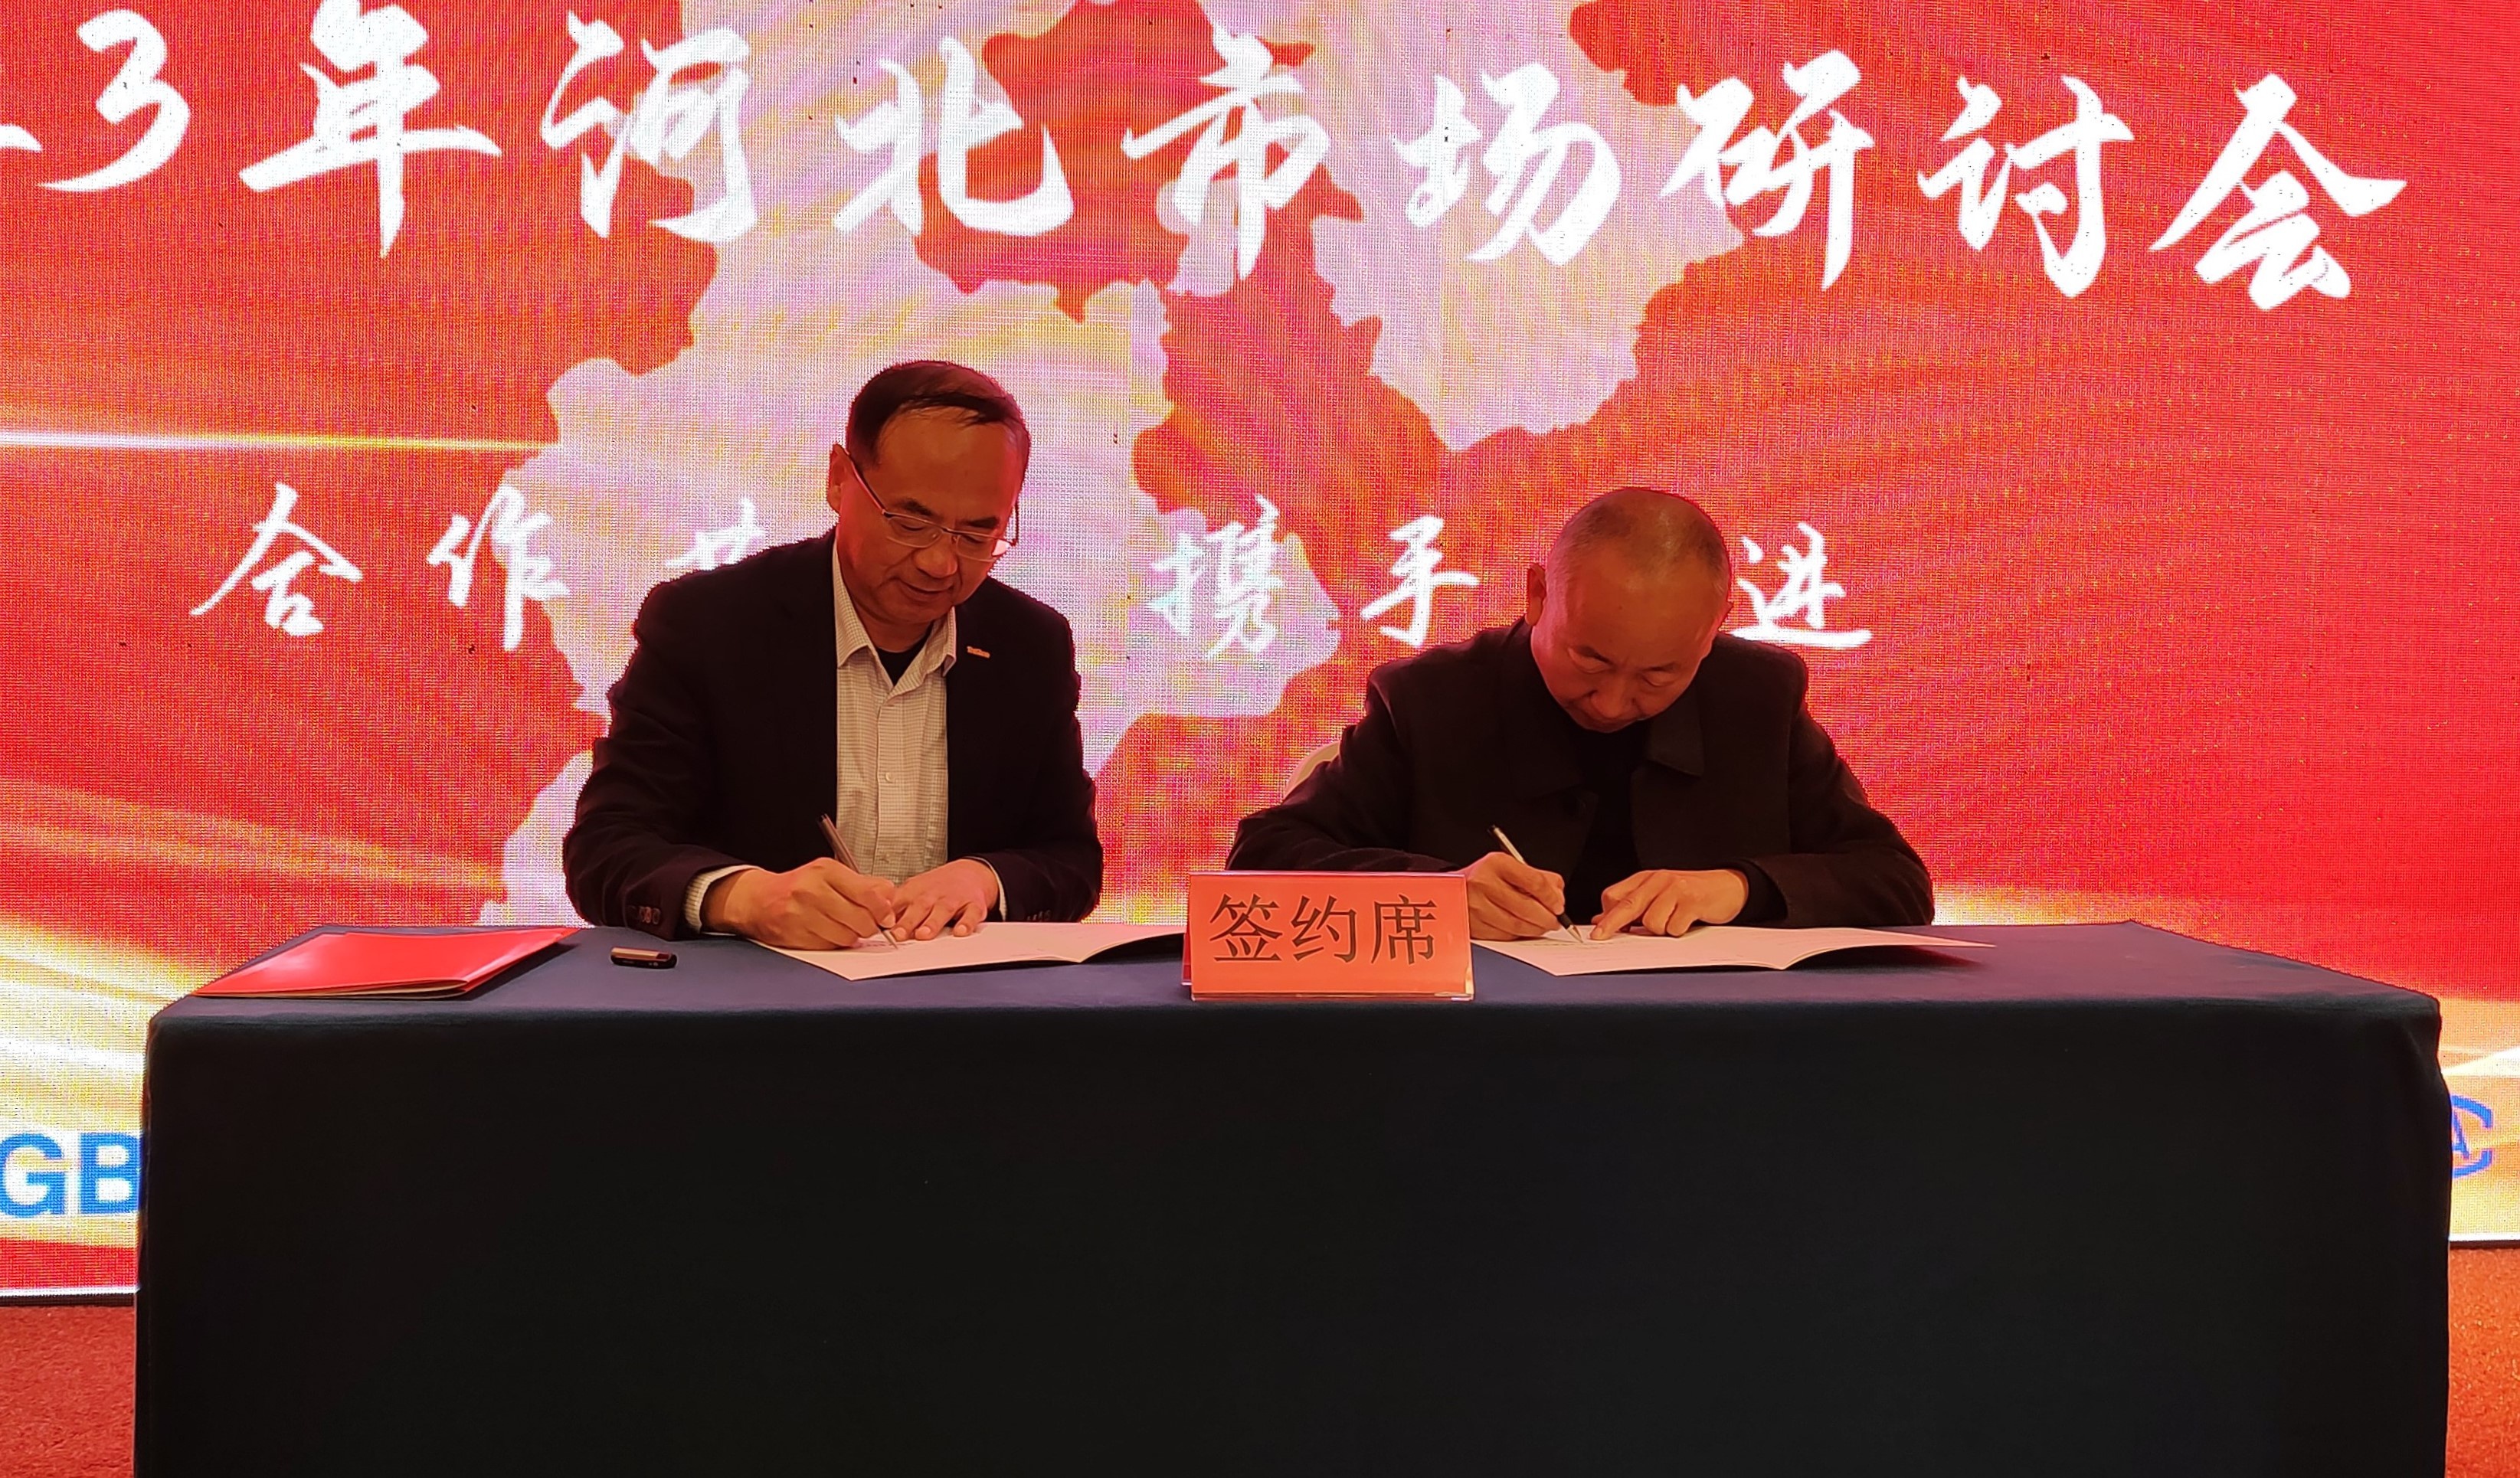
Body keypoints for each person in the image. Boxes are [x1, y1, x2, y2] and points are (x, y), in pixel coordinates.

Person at [1228, 487, 1929, 939]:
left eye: (1660, 674)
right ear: (1538, 595)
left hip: (1710, 1047)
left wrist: (1740, 887)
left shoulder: (1757, 696)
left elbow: (1894, 881)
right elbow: (1263, 858)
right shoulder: (1431, 699)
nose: (1614, 702)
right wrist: (1434, 895)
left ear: (1715, 626)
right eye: (1590, 659)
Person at [565, 361, 1101, 945]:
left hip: (962, 994)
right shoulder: (709, 625)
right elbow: (607, 848)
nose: (940, 563)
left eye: (977, 535)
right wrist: (744, 899)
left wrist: (987, 879)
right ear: (841, 480)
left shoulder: (1029, 645)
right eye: (911, 522)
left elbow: (1071, 859)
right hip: (758, 992)